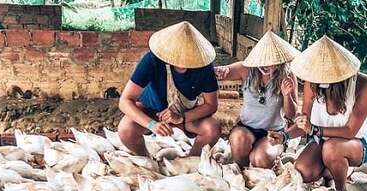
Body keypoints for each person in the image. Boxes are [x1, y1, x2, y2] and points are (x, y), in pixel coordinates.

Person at [269, 36, 367, 191]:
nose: (320, 79)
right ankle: (333, 169)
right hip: (324, 139)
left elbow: (350, 131)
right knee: (303, 170)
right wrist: (284, 136)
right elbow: (304, 123)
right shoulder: (312, 83)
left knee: (331, 149)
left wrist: (314, 129)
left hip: (358, 141)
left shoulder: (365, 84)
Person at [118, 21, 221, 156]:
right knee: (126, 130)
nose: (182, 61)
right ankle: (147, 159)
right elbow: (124, 101)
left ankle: (191, 160)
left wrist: (182, 117)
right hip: (153, 112)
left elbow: (211, 105)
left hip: (185, 114)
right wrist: (151, 125)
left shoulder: (204, 67)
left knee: (212, 129)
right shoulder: (152, 61)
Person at [214, 31, 299, 168]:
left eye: (271, 61)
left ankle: (262, 162)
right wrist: (222, 70)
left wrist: (287, 95)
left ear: (279, 61)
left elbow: (292, 115)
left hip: (274, 132)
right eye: (263, 60)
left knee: (260, 158)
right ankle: (242, 172)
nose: (266, 65)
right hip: (246, 128)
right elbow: (221, 72)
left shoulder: (287, 75)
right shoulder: (246, 69)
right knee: (238, 139)